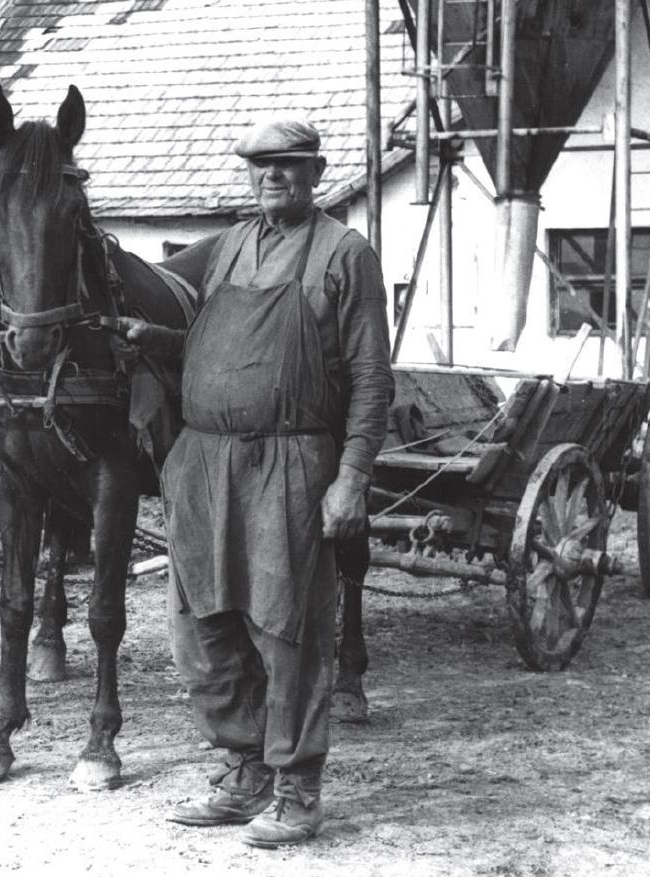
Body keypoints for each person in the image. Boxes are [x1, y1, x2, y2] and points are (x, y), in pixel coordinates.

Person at [108, 118, 393, 848]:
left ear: (315, 171)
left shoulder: (343, 254)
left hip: (291, 463)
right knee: (203, 622)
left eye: (287, 166)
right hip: (204, 463)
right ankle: (243, 770)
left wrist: (350, 477)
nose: (272, 177)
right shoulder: (229, 244)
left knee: (284, 626)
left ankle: (297, 787)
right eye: (260, 166)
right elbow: (217, 344)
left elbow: (368, 377)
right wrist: (160, 342)